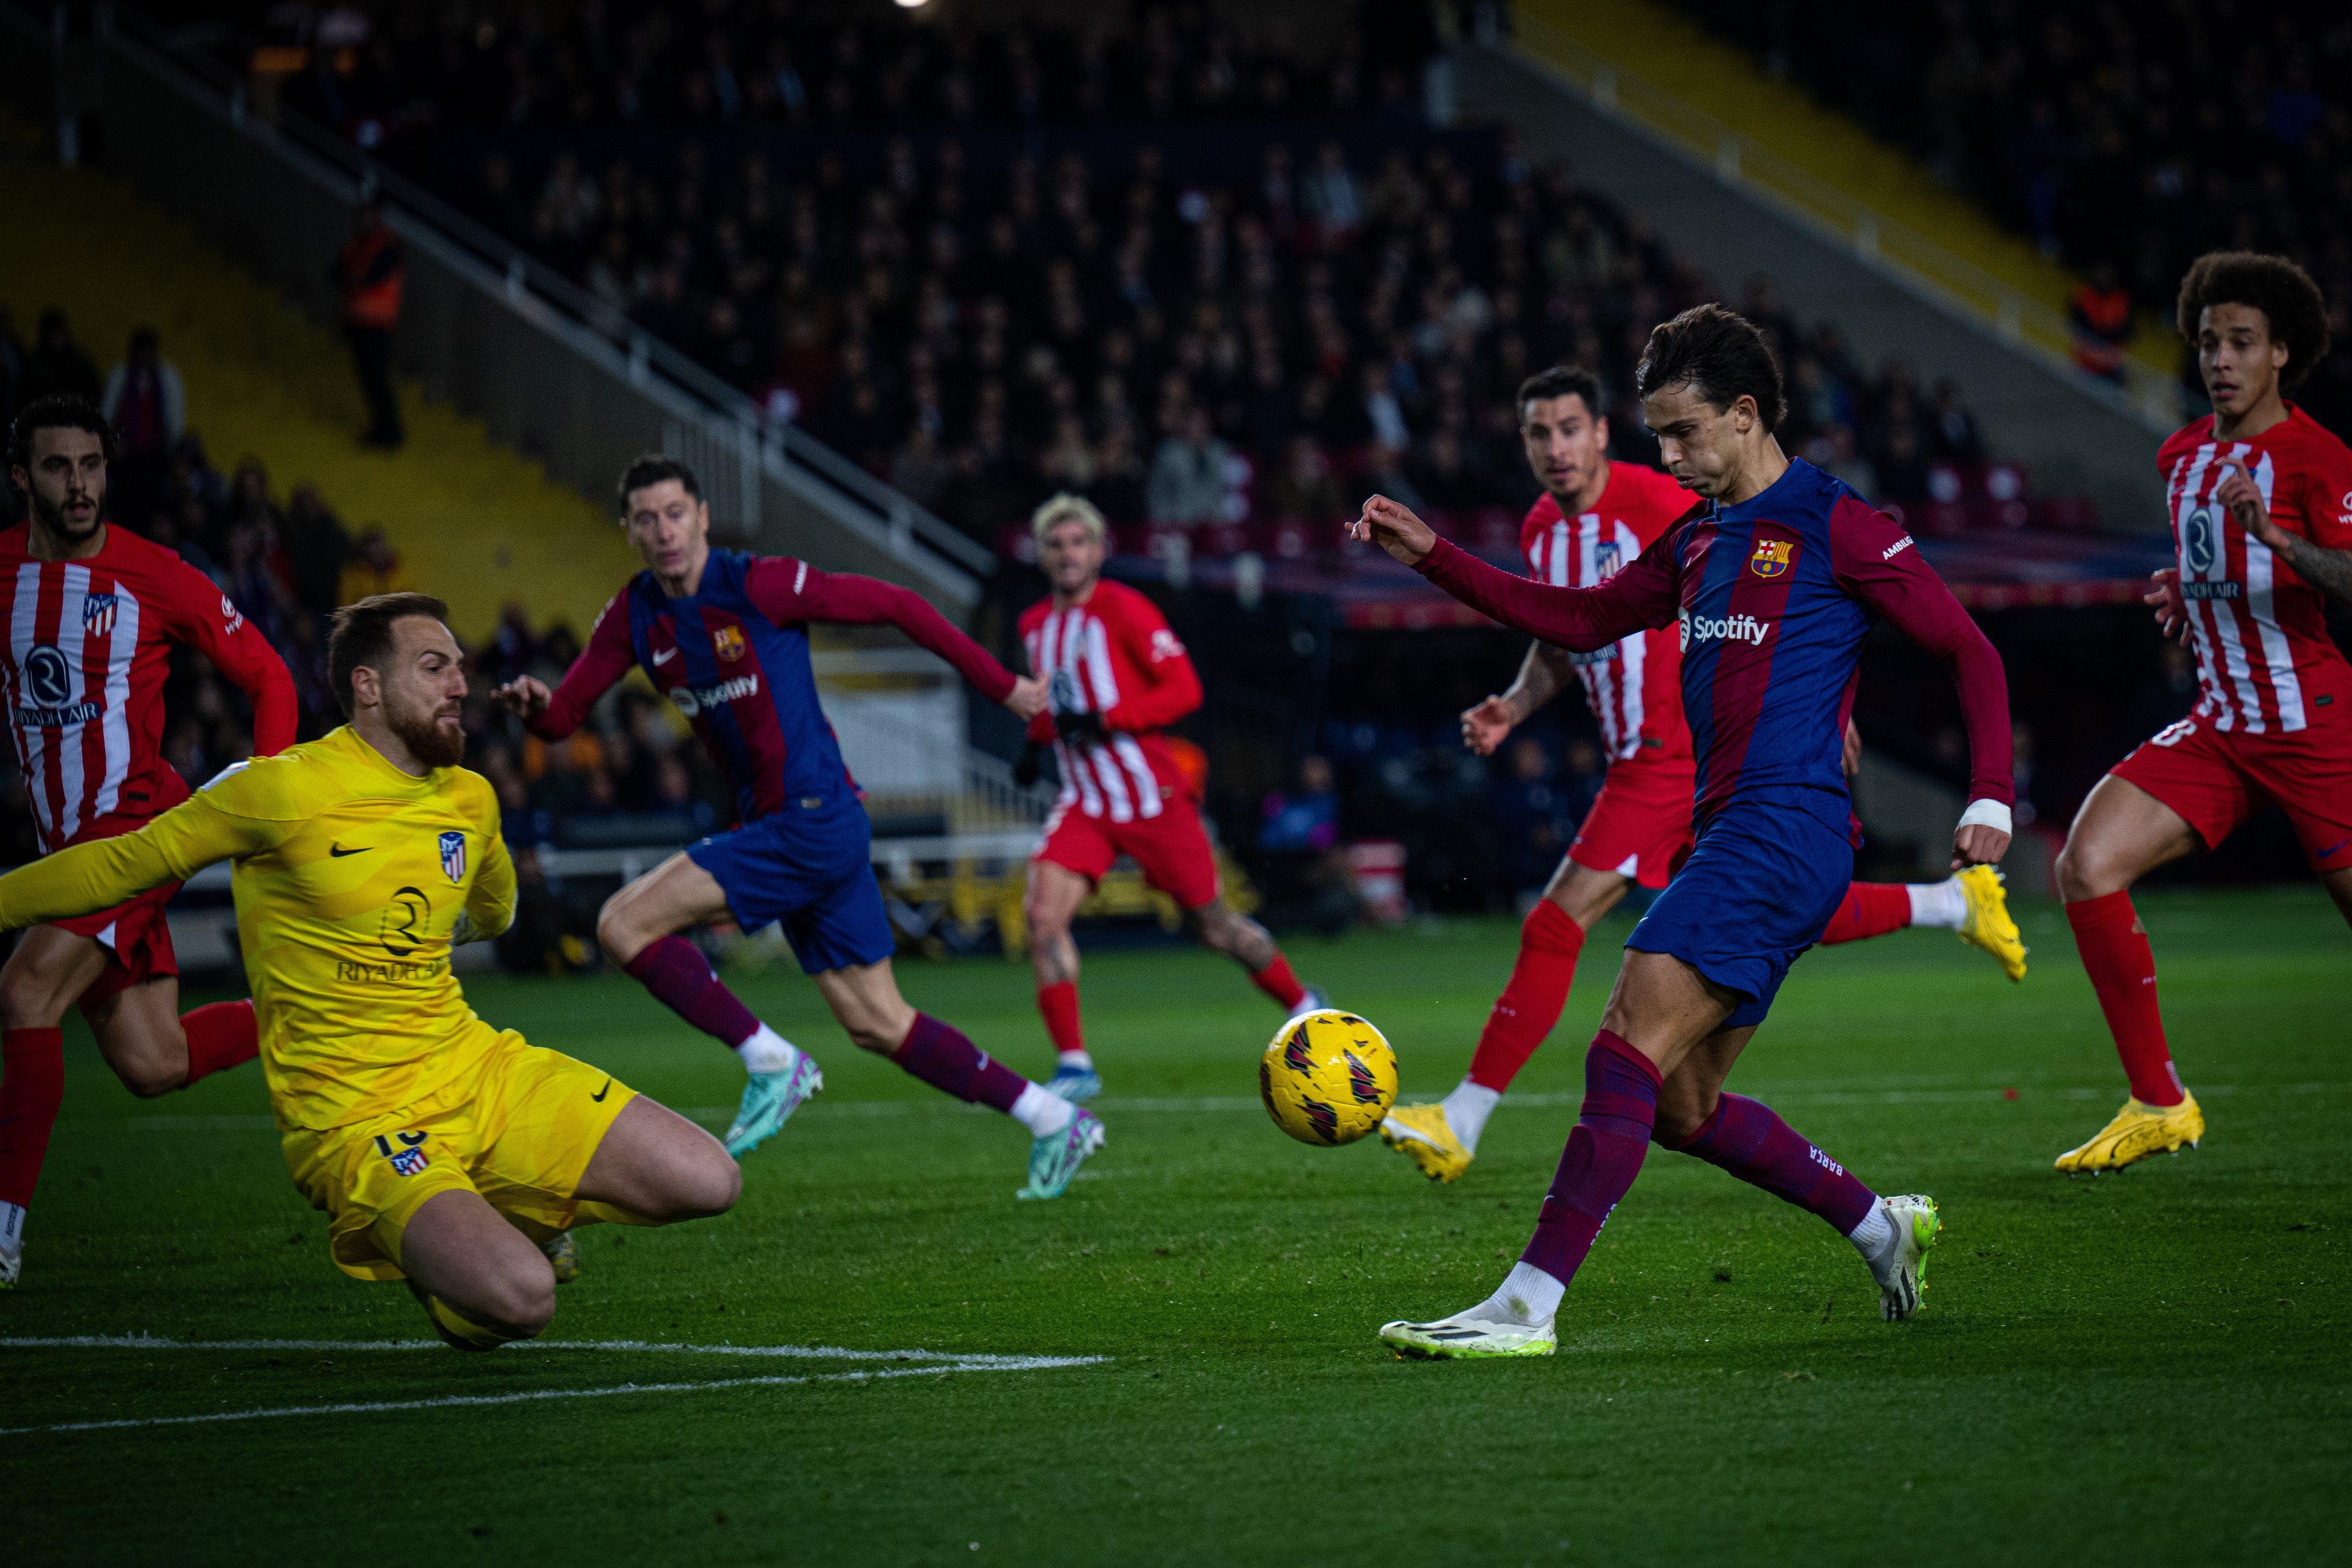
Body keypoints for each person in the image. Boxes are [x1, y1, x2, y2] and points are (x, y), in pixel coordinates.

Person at [1352, 304, 2014, 1357]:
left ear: (1746, 415)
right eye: (1656, 434)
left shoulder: (1839, 522)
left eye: (1681, 432)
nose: (1664, 455)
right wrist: (1434, 554)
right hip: (1735, 836)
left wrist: (1988, 795)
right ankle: (1881, 1226)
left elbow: (1968, 650)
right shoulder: (1697, 536)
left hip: (1784, 830)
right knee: (1681, 1102)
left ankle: (1524, 1308)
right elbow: (1574, 621)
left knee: (1622, 1037)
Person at [0, 594, 741, 1345]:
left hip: (477, 1068)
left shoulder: (470, 797)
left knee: (712, 1179)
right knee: (525, 1298)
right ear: (368, 685)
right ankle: (451, 1271)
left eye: (460, 667)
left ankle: (506, 1202)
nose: (460, 684)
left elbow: (496, 911)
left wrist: (425, 929)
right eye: (434, 666)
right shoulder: (280, 790)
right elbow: (121, 865)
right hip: (358, 1120)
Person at [496, 457, 1107, 1199]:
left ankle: (768, 1059)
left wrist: (1004, 685)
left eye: (676, 513)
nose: (665, 531)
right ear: (628, 529)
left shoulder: (758, 583)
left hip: (811, 818)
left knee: (623, 924)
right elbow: (565, 715)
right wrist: (536, 707)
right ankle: (1051, 1118)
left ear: (703, 516)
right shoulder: (635, 616)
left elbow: (894, 602)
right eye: (647, 518)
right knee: (879, 1022)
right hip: (803, 827)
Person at [2052, 251, 2352, 1174]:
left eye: (2242, 342)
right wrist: (2187, 591)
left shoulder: (2318, 456)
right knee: (2087, 864)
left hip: (2315, 727)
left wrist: (2274, 535)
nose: (2219, 358)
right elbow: (2218, 573)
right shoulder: (2181, 456)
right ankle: (2159, 1099)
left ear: (2280, 355)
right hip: (2222, 727)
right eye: (2209, 341)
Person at [0, 395, 299, 1289]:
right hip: (63, 848)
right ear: (23, 478)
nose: (80, 483)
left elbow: (268, 673)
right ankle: (314, 1006)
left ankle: (2, 1231)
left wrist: (267, 796)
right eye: (59, 467)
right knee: (152, 1060)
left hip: (138, 827)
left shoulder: (156, 573)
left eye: (91, 464)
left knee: (23, 989)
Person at [1014, 494, 1327, 1102]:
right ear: (1042, 554)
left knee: (1215, 928)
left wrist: (1109, 718)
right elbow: (1054, 705)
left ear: (1099, 550)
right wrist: (1033, 745)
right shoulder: (1034, 625)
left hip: (1151, 798)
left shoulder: (1125, 609)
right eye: (1056, 544)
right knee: (1041, 916)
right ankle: (1075, 1064)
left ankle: (1302, 1001)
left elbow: (1184, 690)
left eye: (1079, 542)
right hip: (1085, 801)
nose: (1068, 554)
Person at [334, 199, 405, 448]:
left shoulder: (387, 245)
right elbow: (335, 273)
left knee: (377, 377)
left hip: (378, 324)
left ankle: (390, 431)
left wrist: (353, 277)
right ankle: (382, 428)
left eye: (370, 214)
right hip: (357, 321)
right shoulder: (357, 245)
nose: (365, 220)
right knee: (367, 377)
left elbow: (370, 276)